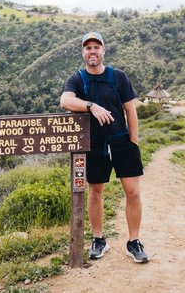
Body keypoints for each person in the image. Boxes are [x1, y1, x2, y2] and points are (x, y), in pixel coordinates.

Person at [60, 32, 149, 263]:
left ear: (103, 51)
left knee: (133, 192)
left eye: (96, 47)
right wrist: (91, 106)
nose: (92, 51)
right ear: (83, 53)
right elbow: (65, 101)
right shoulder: (77, 79)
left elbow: (130, 110)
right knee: (96, 193)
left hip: (122, 142)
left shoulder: (118, 77)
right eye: (88, 48)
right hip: (95, 145)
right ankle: (99, 239)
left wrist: (134, 141)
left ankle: (134, 242)